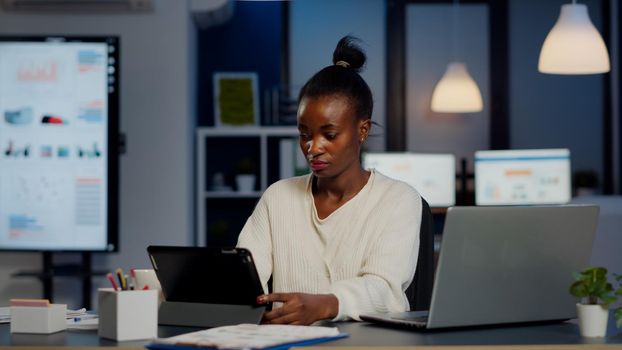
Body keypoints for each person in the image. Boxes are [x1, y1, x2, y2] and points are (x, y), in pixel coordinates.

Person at [237, 36, 422, 325]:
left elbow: (385, 289)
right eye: (304, 134)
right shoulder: (278, 197)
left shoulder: (398, 199)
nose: (313, 147)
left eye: (329, 134)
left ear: (362, 131)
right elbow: (244, 279)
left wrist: (325, 304)